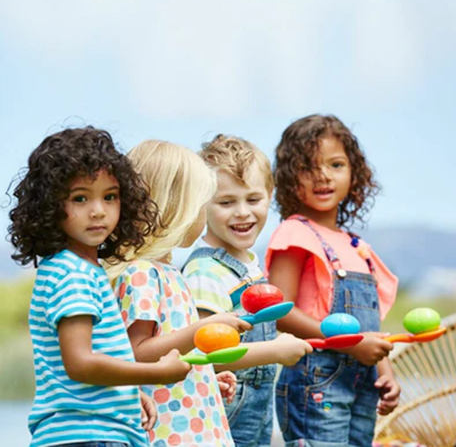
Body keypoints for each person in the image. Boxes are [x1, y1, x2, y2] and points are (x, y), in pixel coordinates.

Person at [8, 127, 192, 447]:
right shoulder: (72, 274)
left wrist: (127, 394)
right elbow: (80, 363)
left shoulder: (81, 270)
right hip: (90, 435)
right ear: (51, 206)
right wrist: (155, 374)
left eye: (110, 196)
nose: (98, 211)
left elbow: (97, 358)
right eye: (80, 198)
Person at [106, 140, 252, 447]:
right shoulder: (142, 273)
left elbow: (170, 346)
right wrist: (200, 330)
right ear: (176, 210)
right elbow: (137, 354)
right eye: (200, 206)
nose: (203, 217)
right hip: (168, 433)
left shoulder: (170, 272)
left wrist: (204, 377)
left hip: (193, 425)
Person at [266, 115, 401, 447]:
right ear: (288, 178)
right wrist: (352, 343)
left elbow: (371, 325)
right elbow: (278, 310)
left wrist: (386, 374)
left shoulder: (357, 246)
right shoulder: (296, 233)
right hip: (316, 383)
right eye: (308, 167)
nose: (323, 176)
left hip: (363, 385)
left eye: (336, 164)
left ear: (354, 173)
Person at [182, 134, 313, 447]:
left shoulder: (250, 265)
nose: (242, 212)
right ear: (202, 204)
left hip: (256, 410)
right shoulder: (206, 272)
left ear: (270, 195)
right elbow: (206, 355)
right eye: (227, 202)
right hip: (227, 413)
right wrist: (274, 351)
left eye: (253, 199)